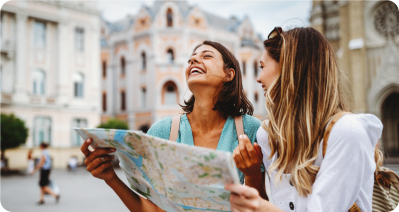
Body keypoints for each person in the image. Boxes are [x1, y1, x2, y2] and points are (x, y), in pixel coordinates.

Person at [81, 41, 266, 211]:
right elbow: (154, 209)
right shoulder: (163, 131)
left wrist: (254, 175)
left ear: (229, 74)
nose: (193, 59)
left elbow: (261, 207)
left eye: (206, 56)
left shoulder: (251, 129)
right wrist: (112, 179)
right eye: (191, 58)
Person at [225, 27, 383, 212]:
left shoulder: (347, 131)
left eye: (262, 67)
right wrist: (251, 174)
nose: (258, 78)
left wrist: (259, 206)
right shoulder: (267, 135)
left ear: (289, 68)